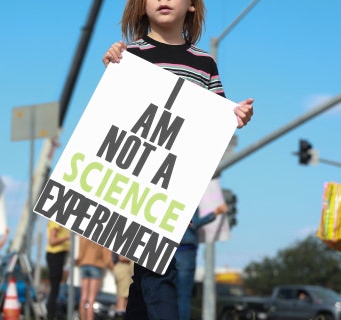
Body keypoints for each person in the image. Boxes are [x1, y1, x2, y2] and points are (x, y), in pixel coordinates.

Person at [102, 0, 254, 318]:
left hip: (175, 190)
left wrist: (236, 115)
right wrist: (112, 68)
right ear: (142, 7)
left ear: (193, 7)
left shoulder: (204, 63)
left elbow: (217, 117)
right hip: (136, 187)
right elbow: (112, 116)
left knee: (148, 278)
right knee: (158, 274)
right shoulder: (129, 56)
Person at [175, 203, 227, 320]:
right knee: (183, 296)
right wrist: (215, 213)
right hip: (186, 252)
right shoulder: (190, 201)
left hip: (173, 250)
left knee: (172, 294)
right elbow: (193, 223)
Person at [76, 236, 114, 320]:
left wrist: (79, 261)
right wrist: (113, 268)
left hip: (84, 265)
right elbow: (107, 257)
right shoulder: (102, 237)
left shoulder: (84, 235)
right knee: (91, 299)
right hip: (96, 266)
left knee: (83, 297)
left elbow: (80, 252)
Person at [45, 220, 71, 320]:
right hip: (55, 255)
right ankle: (50, 315)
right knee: (54, 288)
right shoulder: (56, 222)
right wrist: (68, 238)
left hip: (60, 255)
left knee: (56, 288)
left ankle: (52, 314)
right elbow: (52, 241)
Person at [112, 253, 133, 318]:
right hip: (123, 267)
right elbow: (122, 257)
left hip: (124, 267)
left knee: (125, 295)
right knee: (123, 296)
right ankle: (120, 315)